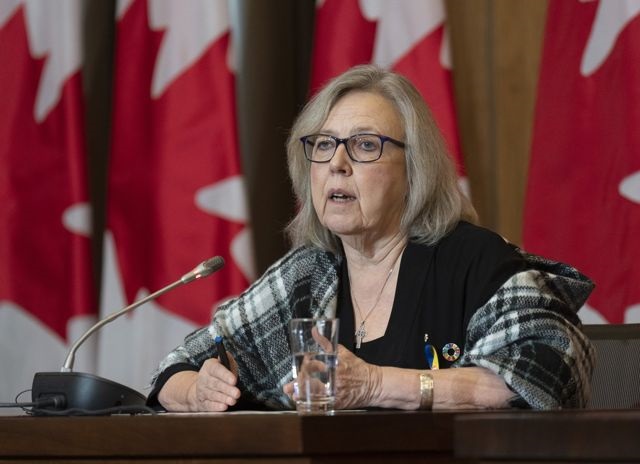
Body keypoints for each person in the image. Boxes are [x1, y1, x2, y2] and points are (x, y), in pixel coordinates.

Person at [147, 65, 595, 412]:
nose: (337, 163)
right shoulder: (308, 274)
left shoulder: (469, 260)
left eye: (364, 145)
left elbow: (551, 368)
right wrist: (197, 392)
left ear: (413, 170)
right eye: (323, 145)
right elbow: (173, 369)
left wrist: (377, 385)